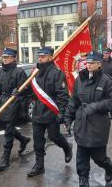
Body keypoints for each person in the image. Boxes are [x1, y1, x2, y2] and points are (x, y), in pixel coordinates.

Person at [64, 51, 112, 187]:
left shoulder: (107, 81)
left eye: (92, 63)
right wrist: (68, 117)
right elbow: (74, 100)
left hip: (98, 125)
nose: (88, 65)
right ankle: (83, 179)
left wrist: (96, 106)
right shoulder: (80, 79)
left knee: (99, 158)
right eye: (87, 62)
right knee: (81, 155)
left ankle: (109, 166)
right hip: (82, 122)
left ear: (99, 64)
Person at [27, 47, 73, 177]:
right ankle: (39, 166)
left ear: (50, 57)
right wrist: (19, 92)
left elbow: (62, 95)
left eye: (43, 56)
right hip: (37, 111)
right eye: (39, 56)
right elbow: (31, 91)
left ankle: (67, 147)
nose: (40, 58)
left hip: (51, 111)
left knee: (54, 137)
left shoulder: (57, 73)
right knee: (37, 140)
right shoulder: (36, 72)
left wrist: (62, 113)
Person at [0, 48, 31, 172]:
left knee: (8, 131)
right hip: (2, 103)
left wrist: (19, 91)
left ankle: (5, 159)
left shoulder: (19, 72)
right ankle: (23, 140)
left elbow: (27, 90)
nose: (5, 59)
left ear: (14, 58)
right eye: (4, 57)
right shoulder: (0, 72)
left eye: (7, 57)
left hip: (14, 103)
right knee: (7, 128)